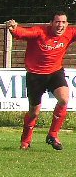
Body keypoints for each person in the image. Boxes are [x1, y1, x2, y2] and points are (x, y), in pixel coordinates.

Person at [6, 12, 76, 151]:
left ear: (67, 24)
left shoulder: (70, 33)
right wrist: (14, 28)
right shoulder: (40, 32)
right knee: (34, 112)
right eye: (57, 22)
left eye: (63, 22)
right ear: (51, 23)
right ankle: (25, 141)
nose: (60, 25)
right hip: (35, 75)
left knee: (64, 99)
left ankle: (53, 135)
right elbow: (23, 33)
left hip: (55, 72)